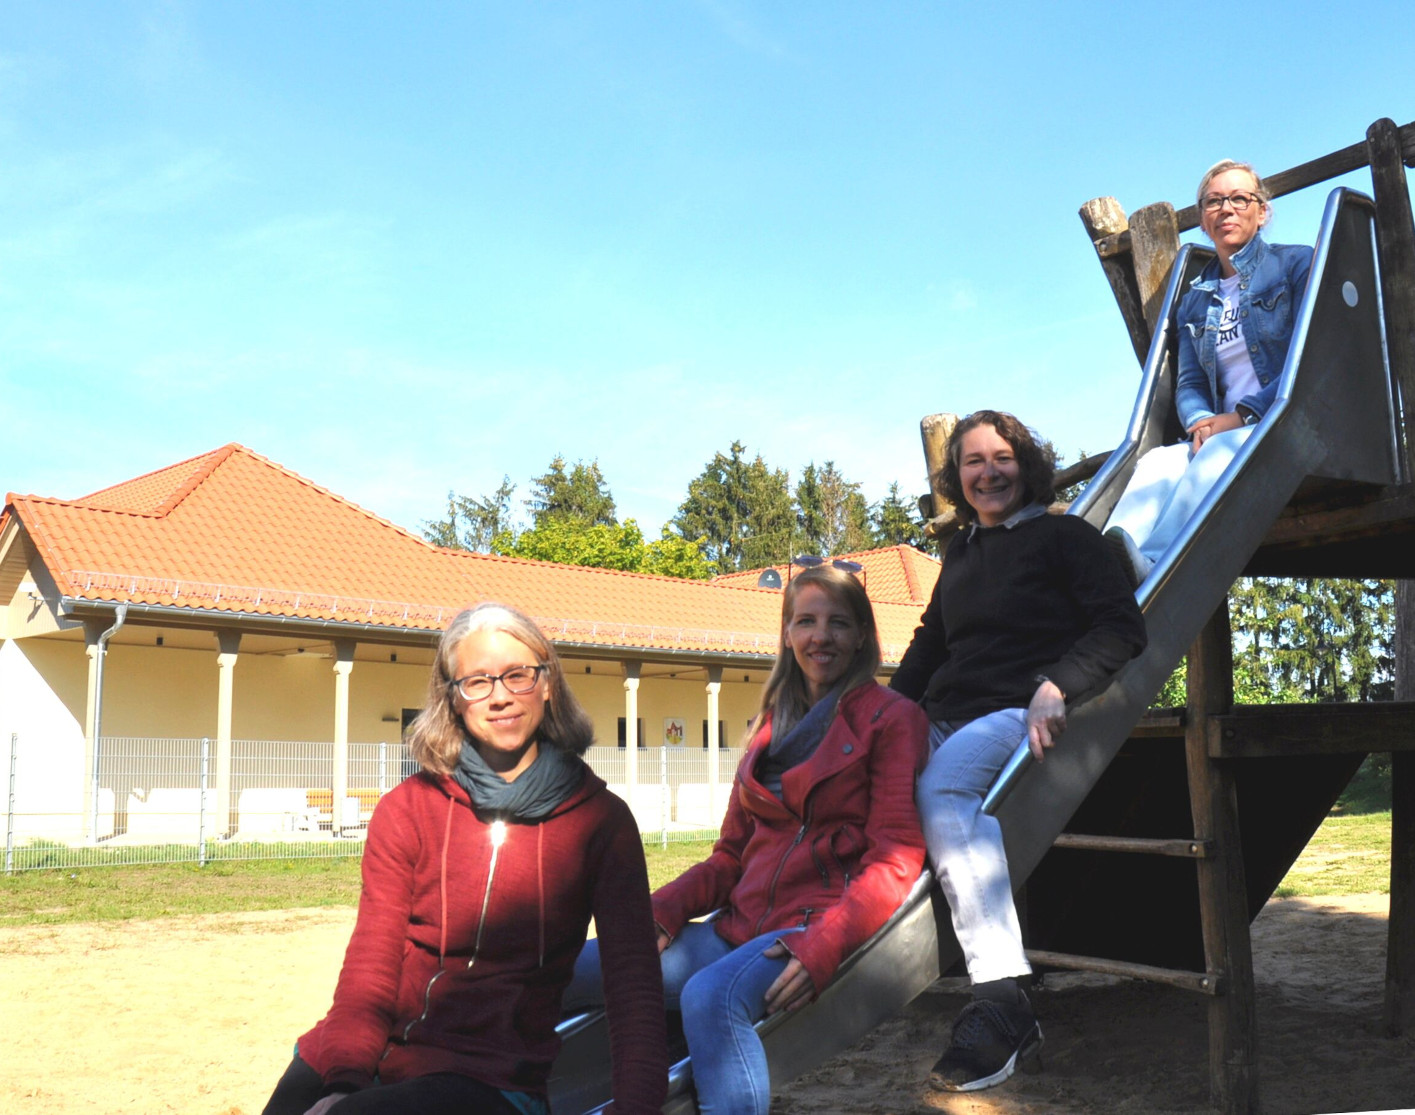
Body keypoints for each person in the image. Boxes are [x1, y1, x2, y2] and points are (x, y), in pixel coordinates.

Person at [261, 603, 667, 1115]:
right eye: (476, 682)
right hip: (366, 1047)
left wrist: (638, 1107)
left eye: (517, 675)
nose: (499, 697)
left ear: (547, 683)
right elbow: (371, 965)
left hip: (490, 1073)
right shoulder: (407, 809)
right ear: (452, 699)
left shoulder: (601, 823)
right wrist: (342, 1081)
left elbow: (632, 982)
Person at [568, 563, 930, 1115]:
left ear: (862, 636)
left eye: (838, 623)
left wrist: (826, 944)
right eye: (805, 622)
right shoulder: (768, 727)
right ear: (787, 633)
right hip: (734, 928)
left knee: (708, 997)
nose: (820, 637)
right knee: (564, 965)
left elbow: (895, 858)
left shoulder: (891, 718)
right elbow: (730, 857)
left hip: (809, 928)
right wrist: (660, 911)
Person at [891, 410, 1147, 1093]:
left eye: (1000, 456)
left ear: (1024, 464)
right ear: (957, 478)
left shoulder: (1065, 538)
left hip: (1017, 710)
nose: (987, 470)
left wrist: (1057, 684)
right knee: (858, 778)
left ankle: (1002, 1002)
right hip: (946, 710)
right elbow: (927, 646)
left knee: (941, 789)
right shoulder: (964, 554)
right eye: (971, 461)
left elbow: (1121, 626)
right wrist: (879, 719)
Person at [1105, 159, 1315, 584]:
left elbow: (1309, 356)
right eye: (1215, 201)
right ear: (1202, 218)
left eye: (1240, 198)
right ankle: (1103, 569)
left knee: (1219, 451)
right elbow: (1190, 381)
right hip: (1222, 431)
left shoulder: (1295, 266)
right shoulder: (1196, 300)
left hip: (1282, 424)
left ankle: (1156, 564)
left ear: (1262, 211)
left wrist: (1240, 417)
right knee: (1157, 463)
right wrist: (1200, 420)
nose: (1227, 208)